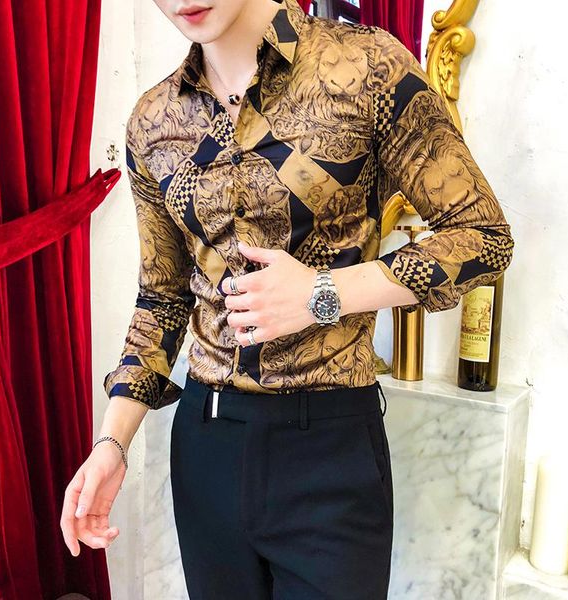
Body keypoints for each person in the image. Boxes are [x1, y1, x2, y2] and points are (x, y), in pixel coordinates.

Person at [61, 0, 514, 597]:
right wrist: (112, 441)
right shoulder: (152, 120)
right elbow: (162, 296)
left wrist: (323, 293)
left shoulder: (367, 67)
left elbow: (483, 236)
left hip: (330, 449)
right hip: (206, 446)